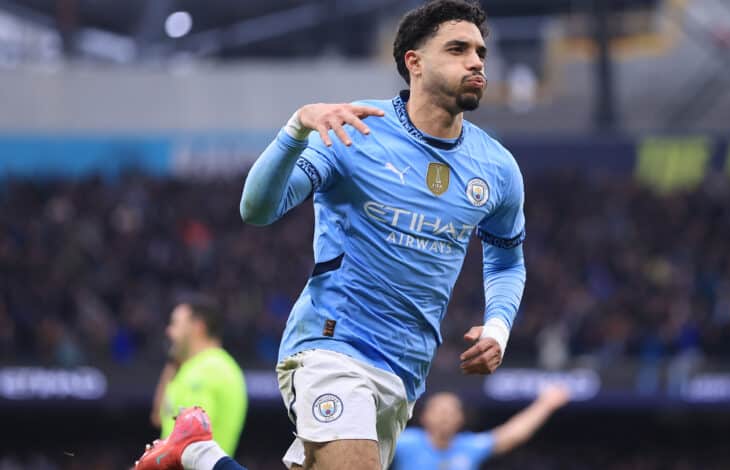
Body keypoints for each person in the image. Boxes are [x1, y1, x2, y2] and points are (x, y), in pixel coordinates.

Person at [135, 1, 526, 469]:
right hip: (333, 344)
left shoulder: (497, 167)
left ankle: (198, 453)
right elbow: (257, 210)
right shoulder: (353, 131)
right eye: (458, 49)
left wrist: (499, 328)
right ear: (414, 63)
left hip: (405, 370)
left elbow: (506, 258)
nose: (477, 61)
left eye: (480, 51)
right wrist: (297, 127)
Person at [149, 296, 248, 457]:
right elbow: (158, 417)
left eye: (175, 324)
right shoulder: (195, 367)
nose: (169, 331)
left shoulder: (208, 370)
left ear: (198, 328)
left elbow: (190, 443)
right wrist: (173, 361)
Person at [392, 386, 570, 470]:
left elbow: (512, 433)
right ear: (424, 417)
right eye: (439, 411)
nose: (445, 416)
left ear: (461, 419)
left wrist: (545, 404)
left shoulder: (471, 446)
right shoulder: (404, 442)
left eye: (451, 411)